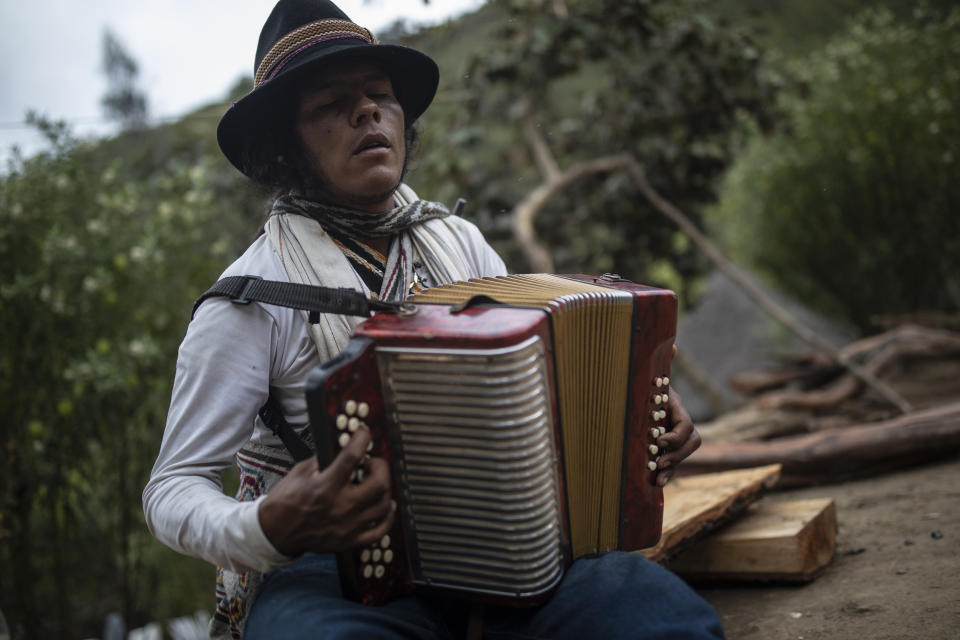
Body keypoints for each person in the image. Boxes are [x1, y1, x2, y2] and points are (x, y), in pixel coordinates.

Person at [142, 1, 723, 638]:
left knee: (672, 626)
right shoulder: (248, 300)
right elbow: (172, 488)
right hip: (335, 568)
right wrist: (267, 527)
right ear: (288, 144)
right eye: (331, 104)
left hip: (508, 539)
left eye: (379, 95)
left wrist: (638, 419)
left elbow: (543, 388)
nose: (367, 111)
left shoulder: (462, 243)